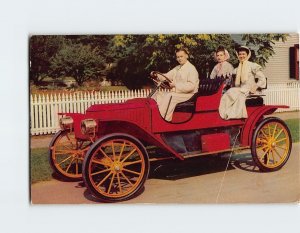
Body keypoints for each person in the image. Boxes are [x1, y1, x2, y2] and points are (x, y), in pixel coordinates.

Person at [151, 48, 199, 122]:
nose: (179, 59)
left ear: (187, 56)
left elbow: (191, 86)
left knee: (170, 96)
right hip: (179, 93)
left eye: (181, 56)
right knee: (158, 94)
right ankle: (154, 116)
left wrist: (175, 85)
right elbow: (167, 76)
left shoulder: (191, 69)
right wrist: (157, 76)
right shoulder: (177, 68)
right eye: (178, 57)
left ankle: (164, 120)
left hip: (189, 94)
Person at [218, 46, 266, 119]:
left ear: (247, 55)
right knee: (229, 92)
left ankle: (231, 115)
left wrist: (255, 87)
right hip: (241, 89)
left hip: (251, 90)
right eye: (240, 54)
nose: (241, 56)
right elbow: (230, 81)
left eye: (243, 54)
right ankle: (224, 113)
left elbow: (262, 78)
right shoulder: (237, 69)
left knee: (234, 93)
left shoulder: (252, 66)